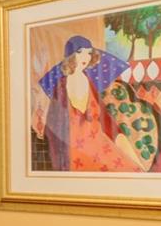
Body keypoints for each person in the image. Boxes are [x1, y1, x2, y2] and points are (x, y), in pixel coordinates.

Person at [33, 35, 152, 172]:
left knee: (130, 170)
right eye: (80, 52)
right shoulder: (60, 86)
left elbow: (106, 120)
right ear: (70, 55)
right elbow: (54, 125)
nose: (85, 57)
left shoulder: (90, 83)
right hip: (74, 150)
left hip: (100, 144)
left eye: (89, 53)